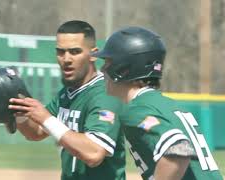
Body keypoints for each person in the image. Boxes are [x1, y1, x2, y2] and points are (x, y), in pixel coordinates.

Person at [92, 26, 223, 180]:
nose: (102, 69)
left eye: (107, 62)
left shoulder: (137, 110)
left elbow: (178, 149)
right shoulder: (166, 104)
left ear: (123, 69)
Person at [5, 20, 127, 180]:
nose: (66, 59)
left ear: (93, 55)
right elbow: (36, 132)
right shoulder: (67, 94)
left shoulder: (105, 94)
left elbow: (94, 153)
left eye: (75, 51)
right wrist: (18, 112)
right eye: (61, 52)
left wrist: (46, 118)